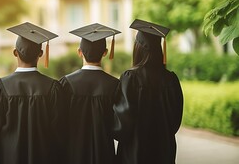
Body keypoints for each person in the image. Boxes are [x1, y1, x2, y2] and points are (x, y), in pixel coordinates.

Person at [113, 19, 184, 164]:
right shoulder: (171, 79)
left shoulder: (130, 77)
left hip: (135, 151)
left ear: (138, 48)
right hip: (164, 149)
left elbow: (122, 122)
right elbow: (175, 120)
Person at [0, 22, 65, 164]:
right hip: (45, 157)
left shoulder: (0, 87)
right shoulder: (53, 87)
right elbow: (60, 131)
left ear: (15, 52)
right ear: (41, 53)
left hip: (9, 158)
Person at [59, 23, 121, 164]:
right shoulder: (114, 85)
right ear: (105, 52)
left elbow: (59, 123)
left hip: (73, 153)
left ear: (79, 52)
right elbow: (119, 126)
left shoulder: (66, 84)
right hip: (104, 153)